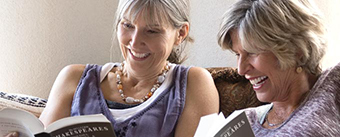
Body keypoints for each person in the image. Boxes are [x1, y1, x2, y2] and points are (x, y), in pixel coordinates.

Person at [36, 0, 219, 137]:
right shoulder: (74, 78)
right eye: (128, 25)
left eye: (152, 31)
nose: (135, 41)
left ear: (180, 34)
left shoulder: (194, 83)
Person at [217, 0, 340, 136]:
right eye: (237, 54)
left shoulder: (333, 86)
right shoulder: (243, 122)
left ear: (296, 50)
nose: (241, 69)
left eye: (252, 52)